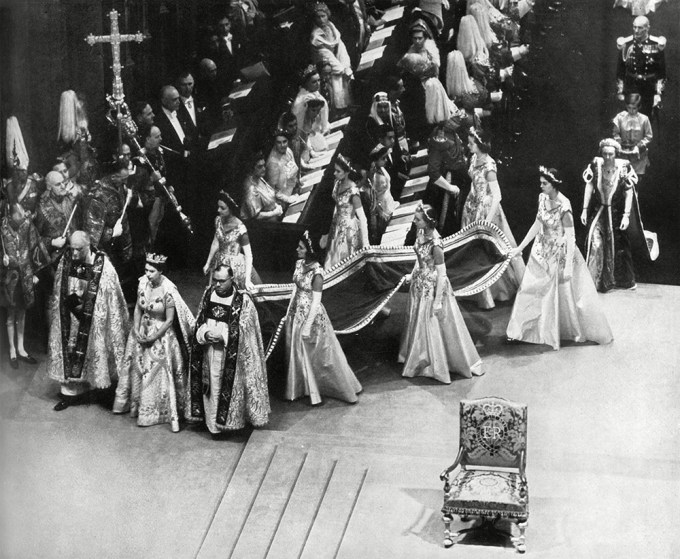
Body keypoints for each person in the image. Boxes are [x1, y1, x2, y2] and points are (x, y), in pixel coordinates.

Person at [507, 167, 614, 350]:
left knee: (557, 296)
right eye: (540, 183)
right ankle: (520, 331)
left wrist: (569, 268)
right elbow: (537, 224)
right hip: (540, 251)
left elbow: (570, 237)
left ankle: (550, 333)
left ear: (554, 184)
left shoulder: (564, 206)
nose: (541, 186)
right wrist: (520, 247)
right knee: (529, 288)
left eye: (544, 183)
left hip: (559, 253)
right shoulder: (542, 198)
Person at [399, 203, 483, 381]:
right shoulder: (421, 233)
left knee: (432, 324)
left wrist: (437, 301)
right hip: (419, 285)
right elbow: (419, 259)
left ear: (428, 222)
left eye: (417, 219)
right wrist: (412, 274)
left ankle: (435, 364)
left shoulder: (436, 245)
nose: (414, 221)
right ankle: (418, 356)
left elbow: (442, 274)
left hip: (432, 288)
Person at [47, 230, 130, 411]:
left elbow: (110, 296)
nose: (74, 253)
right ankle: (70, 394)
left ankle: (95, 387)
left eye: (79, 249)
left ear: (88, 245)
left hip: (92, 320)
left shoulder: (103, 266)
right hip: (71, 318)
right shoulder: (66, 259)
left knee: (93, 350)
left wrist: (86, 304)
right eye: (72, 248)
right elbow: (59, 287)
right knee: (70, 349)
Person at [113, 253, 195, 431]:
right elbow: (137, 308)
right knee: (137, 368)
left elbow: (169, 320)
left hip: (160, 335)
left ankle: (155, 411)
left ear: (161, 271)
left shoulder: (168, 290)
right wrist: (135, 328)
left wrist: (153, 336)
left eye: (152, 271)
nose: (148, 274)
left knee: (153, 373)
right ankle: (134, 405)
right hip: (142, 331)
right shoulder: (143, 282)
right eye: (146, 270)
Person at [187, 264, 270, 435]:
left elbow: (246, 328)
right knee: (211, 385)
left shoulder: (243, 300)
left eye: (222, 281)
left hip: (230, 356)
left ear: (231, 279)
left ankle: (227, 424)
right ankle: (213, 426)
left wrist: (224, 335)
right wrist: (205, 333)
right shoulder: (208, 293)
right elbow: (200, 319)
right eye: (215, 280)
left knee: (222, 386)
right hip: (209, 350)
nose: (217, 285)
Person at [284, 231, 362, 405]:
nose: (297, 249)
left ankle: (322, 389)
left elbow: (316, 303)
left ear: (310, 251)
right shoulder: (299, 264)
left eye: (301, 247)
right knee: (297, 352)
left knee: (319, 356)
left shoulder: (318, 273)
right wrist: (289, 311)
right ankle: (300, 388)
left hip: (311, 318)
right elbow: (295, 289)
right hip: (296, 314)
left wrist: (306, 326)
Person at [461, 127, 524, 308]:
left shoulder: (489, 167)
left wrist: (487, 218)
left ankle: (501, 290)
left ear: (480, 144)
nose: (468, 145)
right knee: (475, 249)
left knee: (493, 248)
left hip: (487, 208)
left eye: (471, 143)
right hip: (473, 205)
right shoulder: (474, 158)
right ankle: (482, 294)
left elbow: (498, 196)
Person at [581, 138, 642, 292]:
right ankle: (592, 282)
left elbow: (628, 192)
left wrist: (626, 215)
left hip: (615, 213)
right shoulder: (595, 165)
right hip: (598, 211)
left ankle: (617, 281)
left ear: (616, 154)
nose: (608, 157)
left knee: (618, 247)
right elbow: (589, 185)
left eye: (611, 154)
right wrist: (584, 208)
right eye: (605, 154)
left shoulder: (623, 167)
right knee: (595, 244)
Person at [1, 203, 50, 368]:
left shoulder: (27, 225)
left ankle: (21, 348)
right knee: (10, 315)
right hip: (9, 278)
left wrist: (35, 272)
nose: (23, 217)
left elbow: (36, 247)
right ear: (11, 215)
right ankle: (12, 350)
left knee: (22, 313)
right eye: (20, 215)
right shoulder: (2, 229)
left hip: (26, 275)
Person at [398, 19, 455, 124]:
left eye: (420, 38)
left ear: (425, 38)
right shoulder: (409, 55)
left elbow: (437, 71)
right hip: (418, 93)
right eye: (414, 38)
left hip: (433, 88)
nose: (417, 41)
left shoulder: (431, 52)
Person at [203, 190, 259, 289]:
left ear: (231, 209)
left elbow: (249, 255)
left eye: (223, 208)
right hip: (219, 262)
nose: (218, 210)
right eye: (218, 207)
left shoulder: (240, 228)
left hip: (235, 267)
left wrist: (248, 280)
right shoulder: (218, 220)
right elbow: (216, 243)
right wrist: (208, 263)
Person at [322, 155, 369, 269]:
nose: (335, 173)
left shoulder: (353, 191)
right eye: (335, 170)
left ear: (347, 172)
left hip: (348, 230)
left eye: (338, 171)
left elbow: (363, 218)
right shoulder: (337, 184)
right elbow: (337, 206)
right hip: (336, 228)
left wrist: (366, 244)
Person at [616, 15, 666, 117]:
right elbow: (620, 70)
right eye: (634, 27)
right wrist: (620, 90)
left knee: (646, 119)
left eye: (640, 28)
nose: (636, 30)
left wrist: (658, 93)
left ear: (647, 27)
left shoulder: (656, 44)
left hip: (649, 88)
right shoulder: (627, 43)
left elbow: (661, 72)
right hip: (631, 86)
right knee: (630, 119)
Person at [310, 2, 353, 114]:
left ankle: (347, 106)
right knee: (335, 80)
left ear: (327, 15)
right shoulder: (316, 36)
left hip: (337, 58)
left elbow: (340, 46)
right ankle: (338, 109)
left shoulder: (331, 27)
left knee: (344, 77)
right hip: (326, 64)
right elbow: (324, 54)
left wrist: (345, 64)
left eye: (323, 16)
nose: (321, 20)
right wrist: (340, 68)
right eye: (318, 17)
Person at [34, 171, 81, 259]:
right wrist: (52, 242)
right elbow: (35, 238)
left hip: (76, 250)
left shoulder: (71, 199)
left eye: (64, 182)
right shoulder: (41, 208)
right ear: (49, 187)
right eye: (58, 184)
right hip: (56, 256)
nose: (63, 186)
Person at [363, 144, 398, 245]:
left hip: (389, 202)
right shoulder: (373, 176)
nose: (386, 160)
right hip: (382, 208)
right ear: (375, 161)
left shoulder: (382, 169)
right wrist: (381, 212)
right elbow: (372, 197)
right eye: (383, 158)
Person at [612, 93, 653, 178]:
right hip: (623, 153)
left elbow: (649, 136)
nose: (631, 111)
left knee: (637, 179)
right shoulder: (620, 117)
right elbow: (615, 133)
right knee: (623, 178)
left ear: (639, 107)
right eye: (629, 108)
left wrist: (640, 144)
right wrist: (619, 141)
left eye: (634, 108)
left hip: (639, 156)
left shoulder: (644, 119)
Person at [291, 65, 330, 145]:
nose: (318, 84)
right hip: (309, 137)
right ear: (306, 83)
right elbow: (299, 126)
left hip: (320, 132)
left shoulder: (314, 92)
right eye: (314, 82)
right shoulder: (302, 100)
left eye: (319, 80)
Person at [240, 153, 286, 222]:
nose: (264, 169)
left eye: (264, 165)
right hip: (262, 225)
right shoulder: (251, 189)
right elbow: (256, 216)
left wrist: (276, 206)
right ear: (252, 168)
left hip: (272, 217)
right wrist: (274, 213)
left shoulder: (259, 178)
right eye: (259, 167)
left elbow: (269, 196)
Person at [265, 129, 300, 200]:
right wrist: (288, 199)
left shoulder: (288, 151)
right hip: (284, 201)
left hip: (294, 191)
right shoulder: (273, 163)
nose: (282, 145)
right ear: (275, 144)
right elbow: (273, 191)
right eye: (279, 143)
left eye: (284, 141)